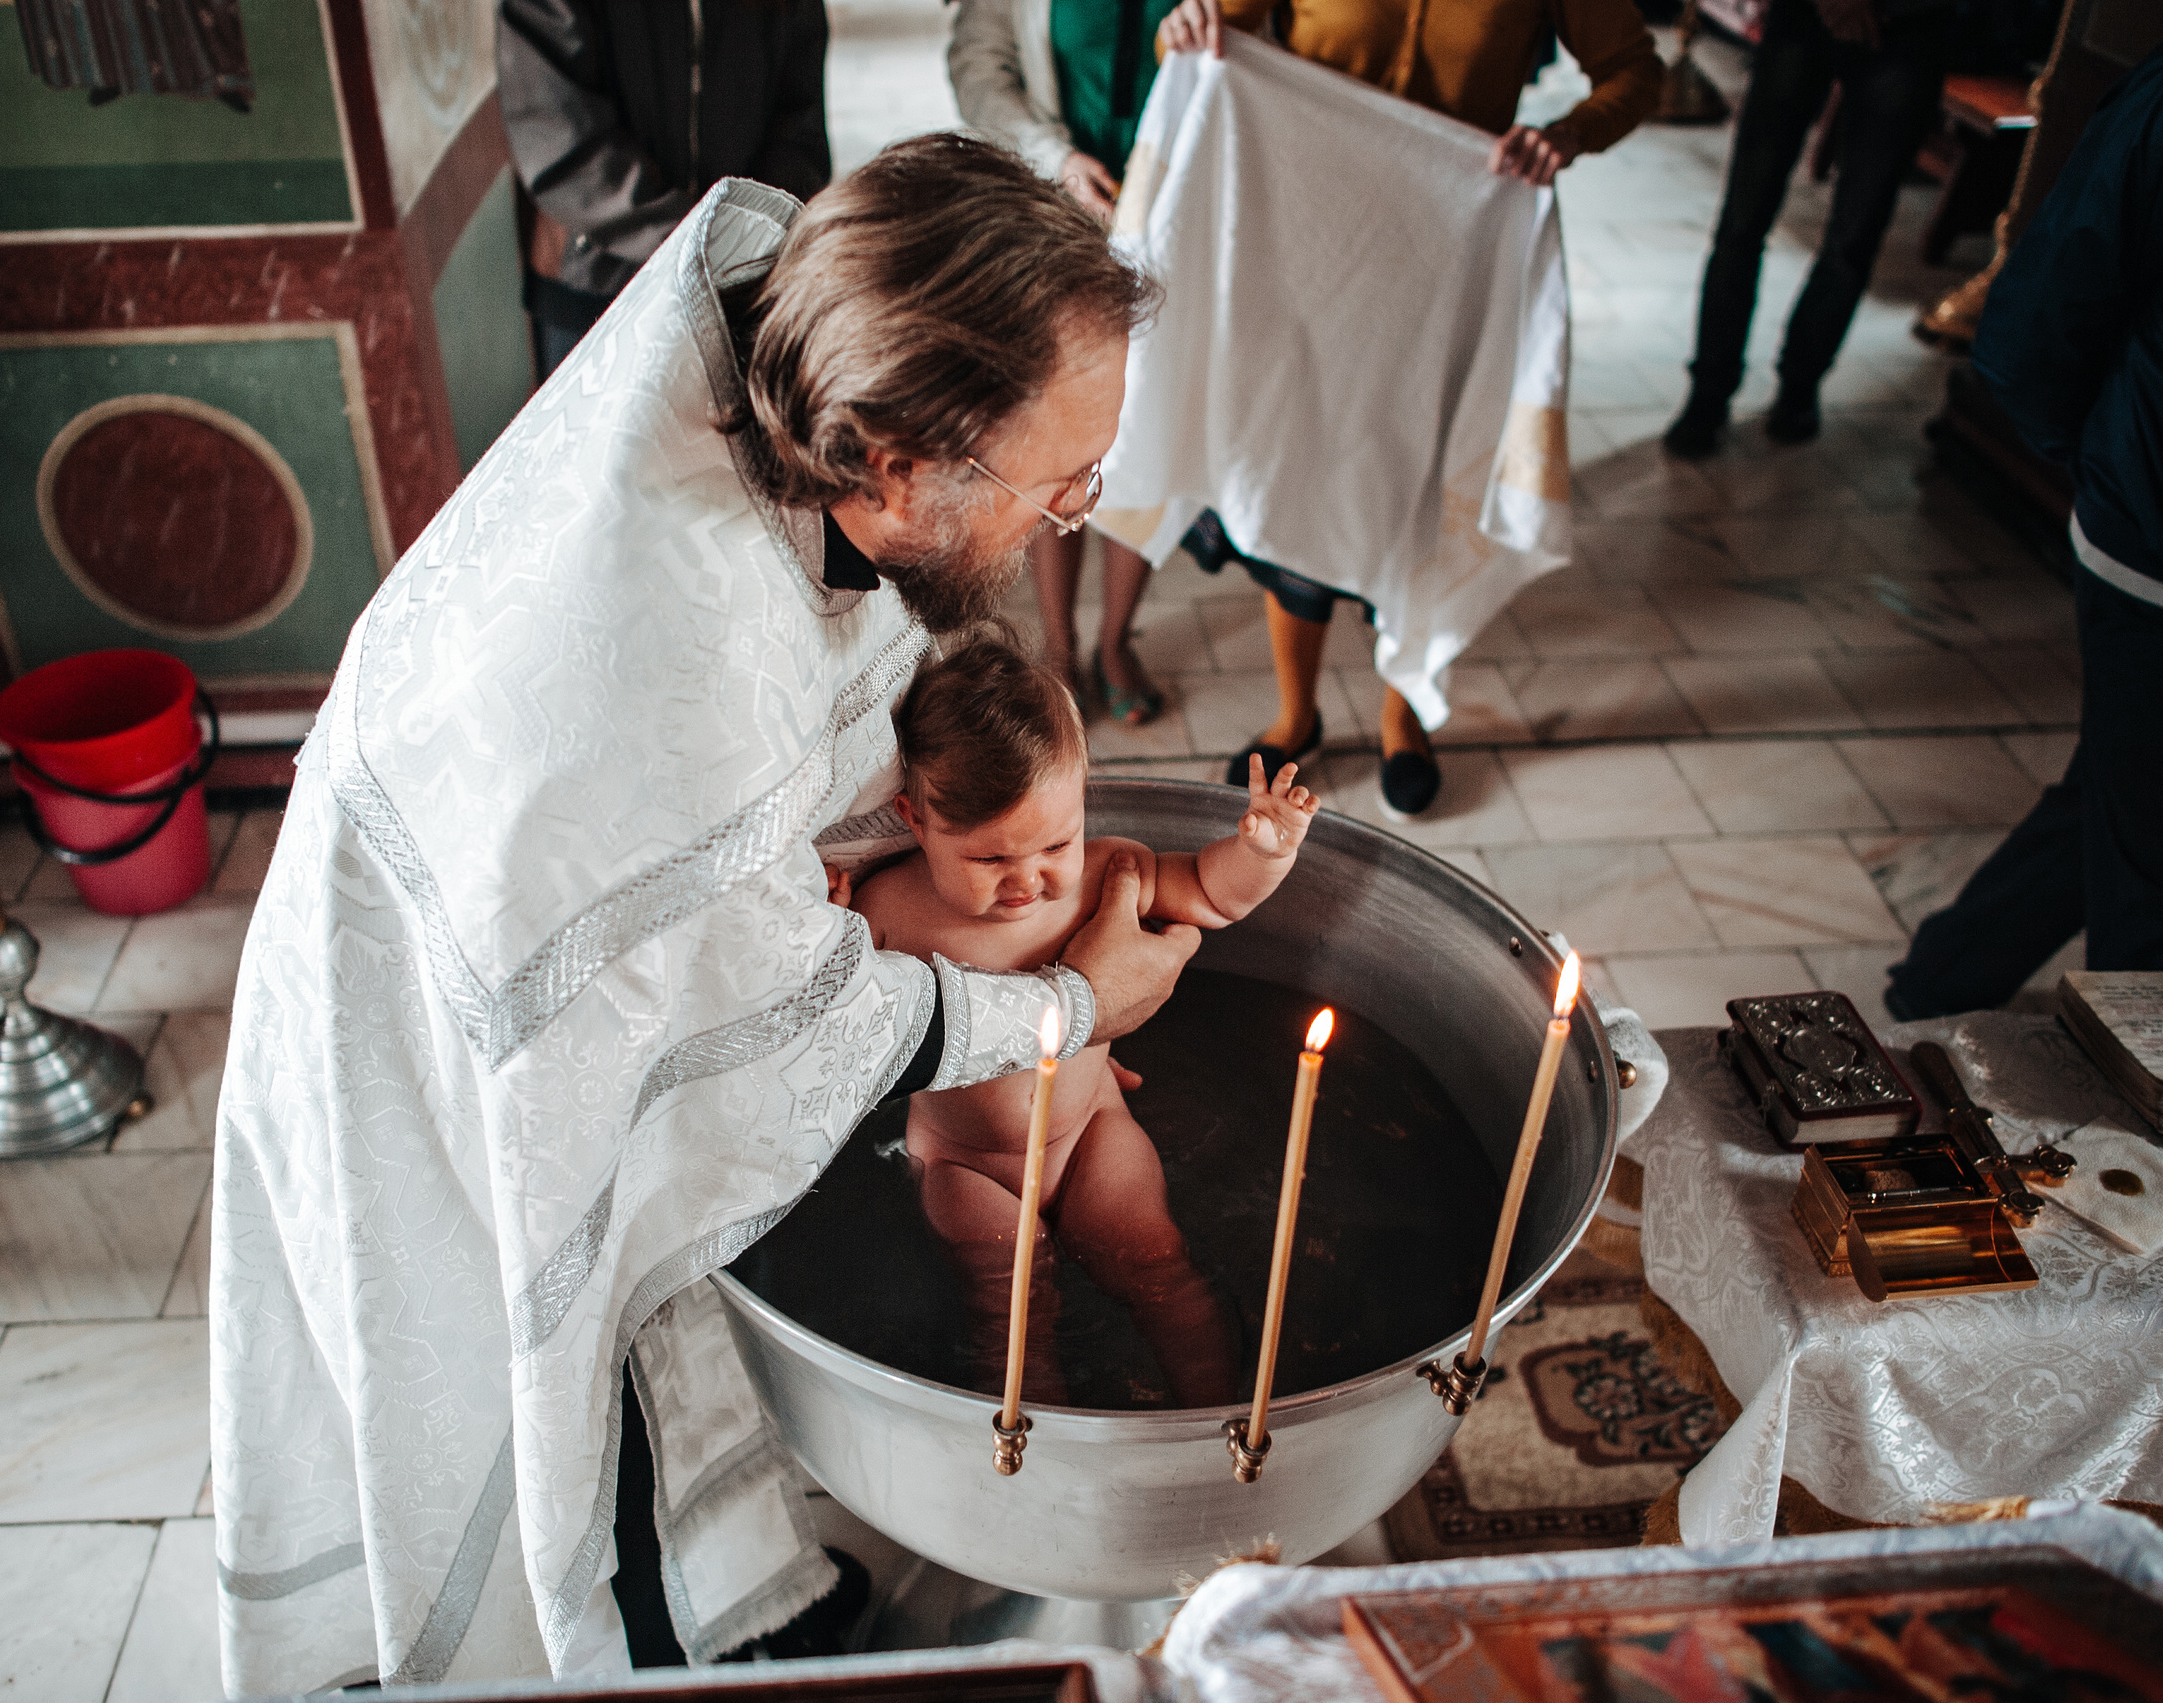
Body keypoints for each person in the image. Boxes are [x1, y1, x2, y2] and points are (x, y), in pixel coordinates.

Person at [212, 136, 1205, 1692]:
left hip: (509, 860)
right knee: (564, 1381)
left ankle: (734, 1600)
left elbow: (835, 708)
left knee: (658, 1347)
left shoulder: (781, 350)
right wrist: (1077, 1006)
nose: (1070, 518)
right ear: (896, 464)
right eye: (1059, 480)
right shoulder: (680, 662)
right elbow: (789, 1010)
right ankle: (668, 1659)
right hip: (447, 1020)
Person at [1157, 0, 1662, 818]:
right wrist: (1182, 28)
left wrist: (1569, 133)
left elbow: (1637, 72)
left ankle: (1404, 713)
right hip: (1312, 249)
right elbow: (1211, 31)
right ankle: (1297, 713)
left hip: (1449, 259)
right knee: (1298, 472)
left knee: (1422, 488)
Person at [1884, 0, 2163, 1020]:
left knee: (2123, 792)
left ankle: (1942, 976)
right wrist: (2126, 470)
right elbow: (2044, 303)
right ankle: (2160, 1120)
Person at [846, 635, 1317, 1407]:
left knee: (1158, 1266)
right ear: (915, 819)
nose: (1028, 879)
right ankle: (1040, 1436)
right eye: (990, 859)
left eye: (1055, 842)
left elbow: (1209, 893)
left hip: (1091, 1131)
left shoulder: (1105, 873)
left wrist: (1261, 853)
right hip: (966, 1162)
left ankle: (1218, 1414)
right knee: (1011, 1306)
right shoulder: (888, 910)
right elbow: (835, 1016)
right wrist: (824, 911)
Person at [950, 0, 1183, 723]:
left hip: (1172, 224)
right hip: (1054, 221)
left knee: (1149, 432)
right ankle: (1059, 643)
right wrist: (1056, 160)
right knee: (1055, 434)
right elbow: (979, 70)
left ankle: (1115, 640)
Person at [1661, 0, 1959, 458]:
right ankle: (1709, 389)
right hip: (1807, 12)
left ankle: (1800, 384)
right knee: (1743, 217)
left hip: (1906, 26)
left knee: (1855, 233)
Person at [498, 0, 832, 378]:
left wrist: (753, 242)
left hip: (744, 291)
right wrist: (707, 245)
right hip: (599, 289)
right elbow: (559, 140)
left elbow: (798, 122)